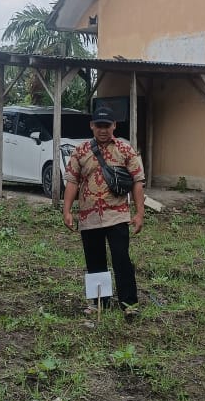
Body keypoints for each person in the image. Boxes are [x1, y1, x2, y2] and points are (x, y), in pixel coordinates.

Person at [62, 104, 146, 315]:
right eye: (99, 125)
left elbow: (137, 181)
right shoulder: (81, 151)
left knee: (121, 258)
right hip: (89, 216)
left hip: (117, 215)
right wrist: (67, 210)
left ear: (114, 125)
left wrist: (139, 213)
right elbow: (72, 181)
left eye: (106, 126)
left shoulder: (125, 149)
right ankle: (99, 303)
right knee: (94, 260)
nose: (103, 130)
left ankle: (129, 304)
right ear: (92, 125)